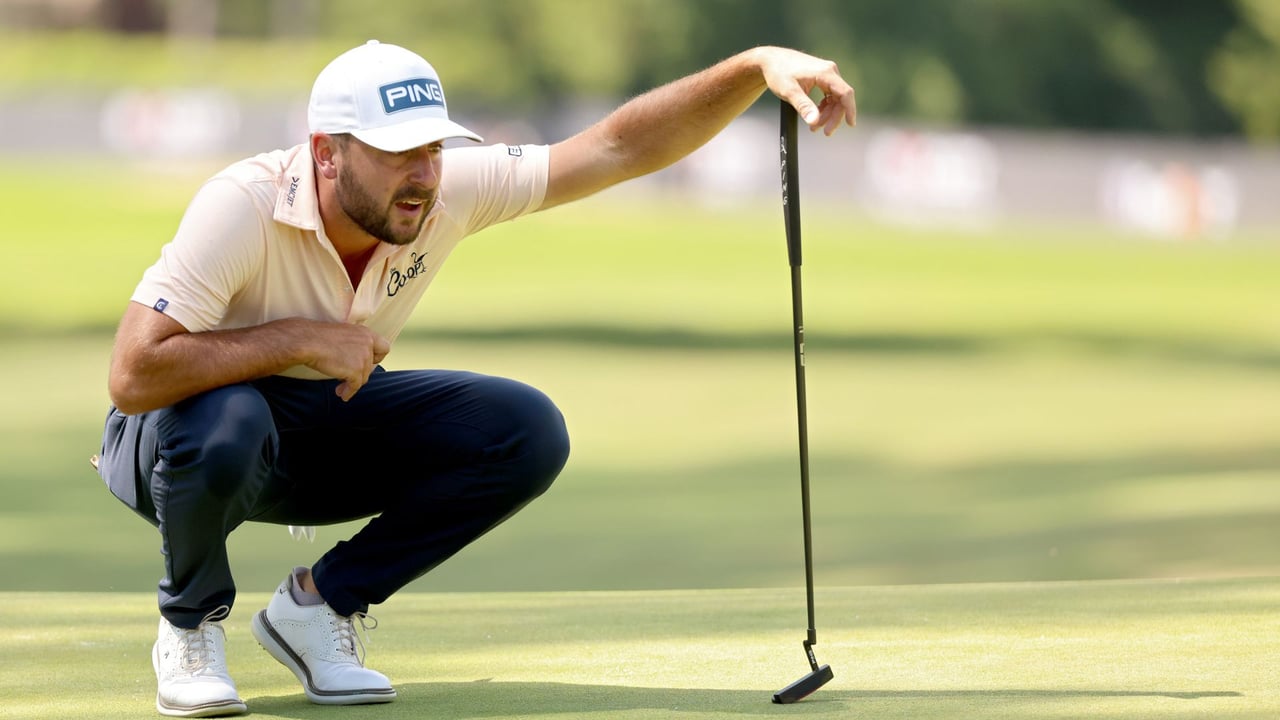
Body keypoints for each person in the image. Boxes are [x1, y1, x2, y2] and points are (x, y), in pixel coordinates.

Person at [94, 39, 856, 717]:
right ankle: (189, 628)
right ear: (327, 152)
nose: (423, 175)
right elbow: (133, 373)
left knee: (524, 430)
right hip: (175, 441)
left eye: (432, 148)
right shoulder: (244, 205)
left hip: (316, 427)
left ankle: (318, 608)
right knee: (232, 420)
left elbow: (618, 148)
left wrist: (753, 67)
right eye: (398, 154)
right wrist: (296, 339)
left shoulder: (446, 189)